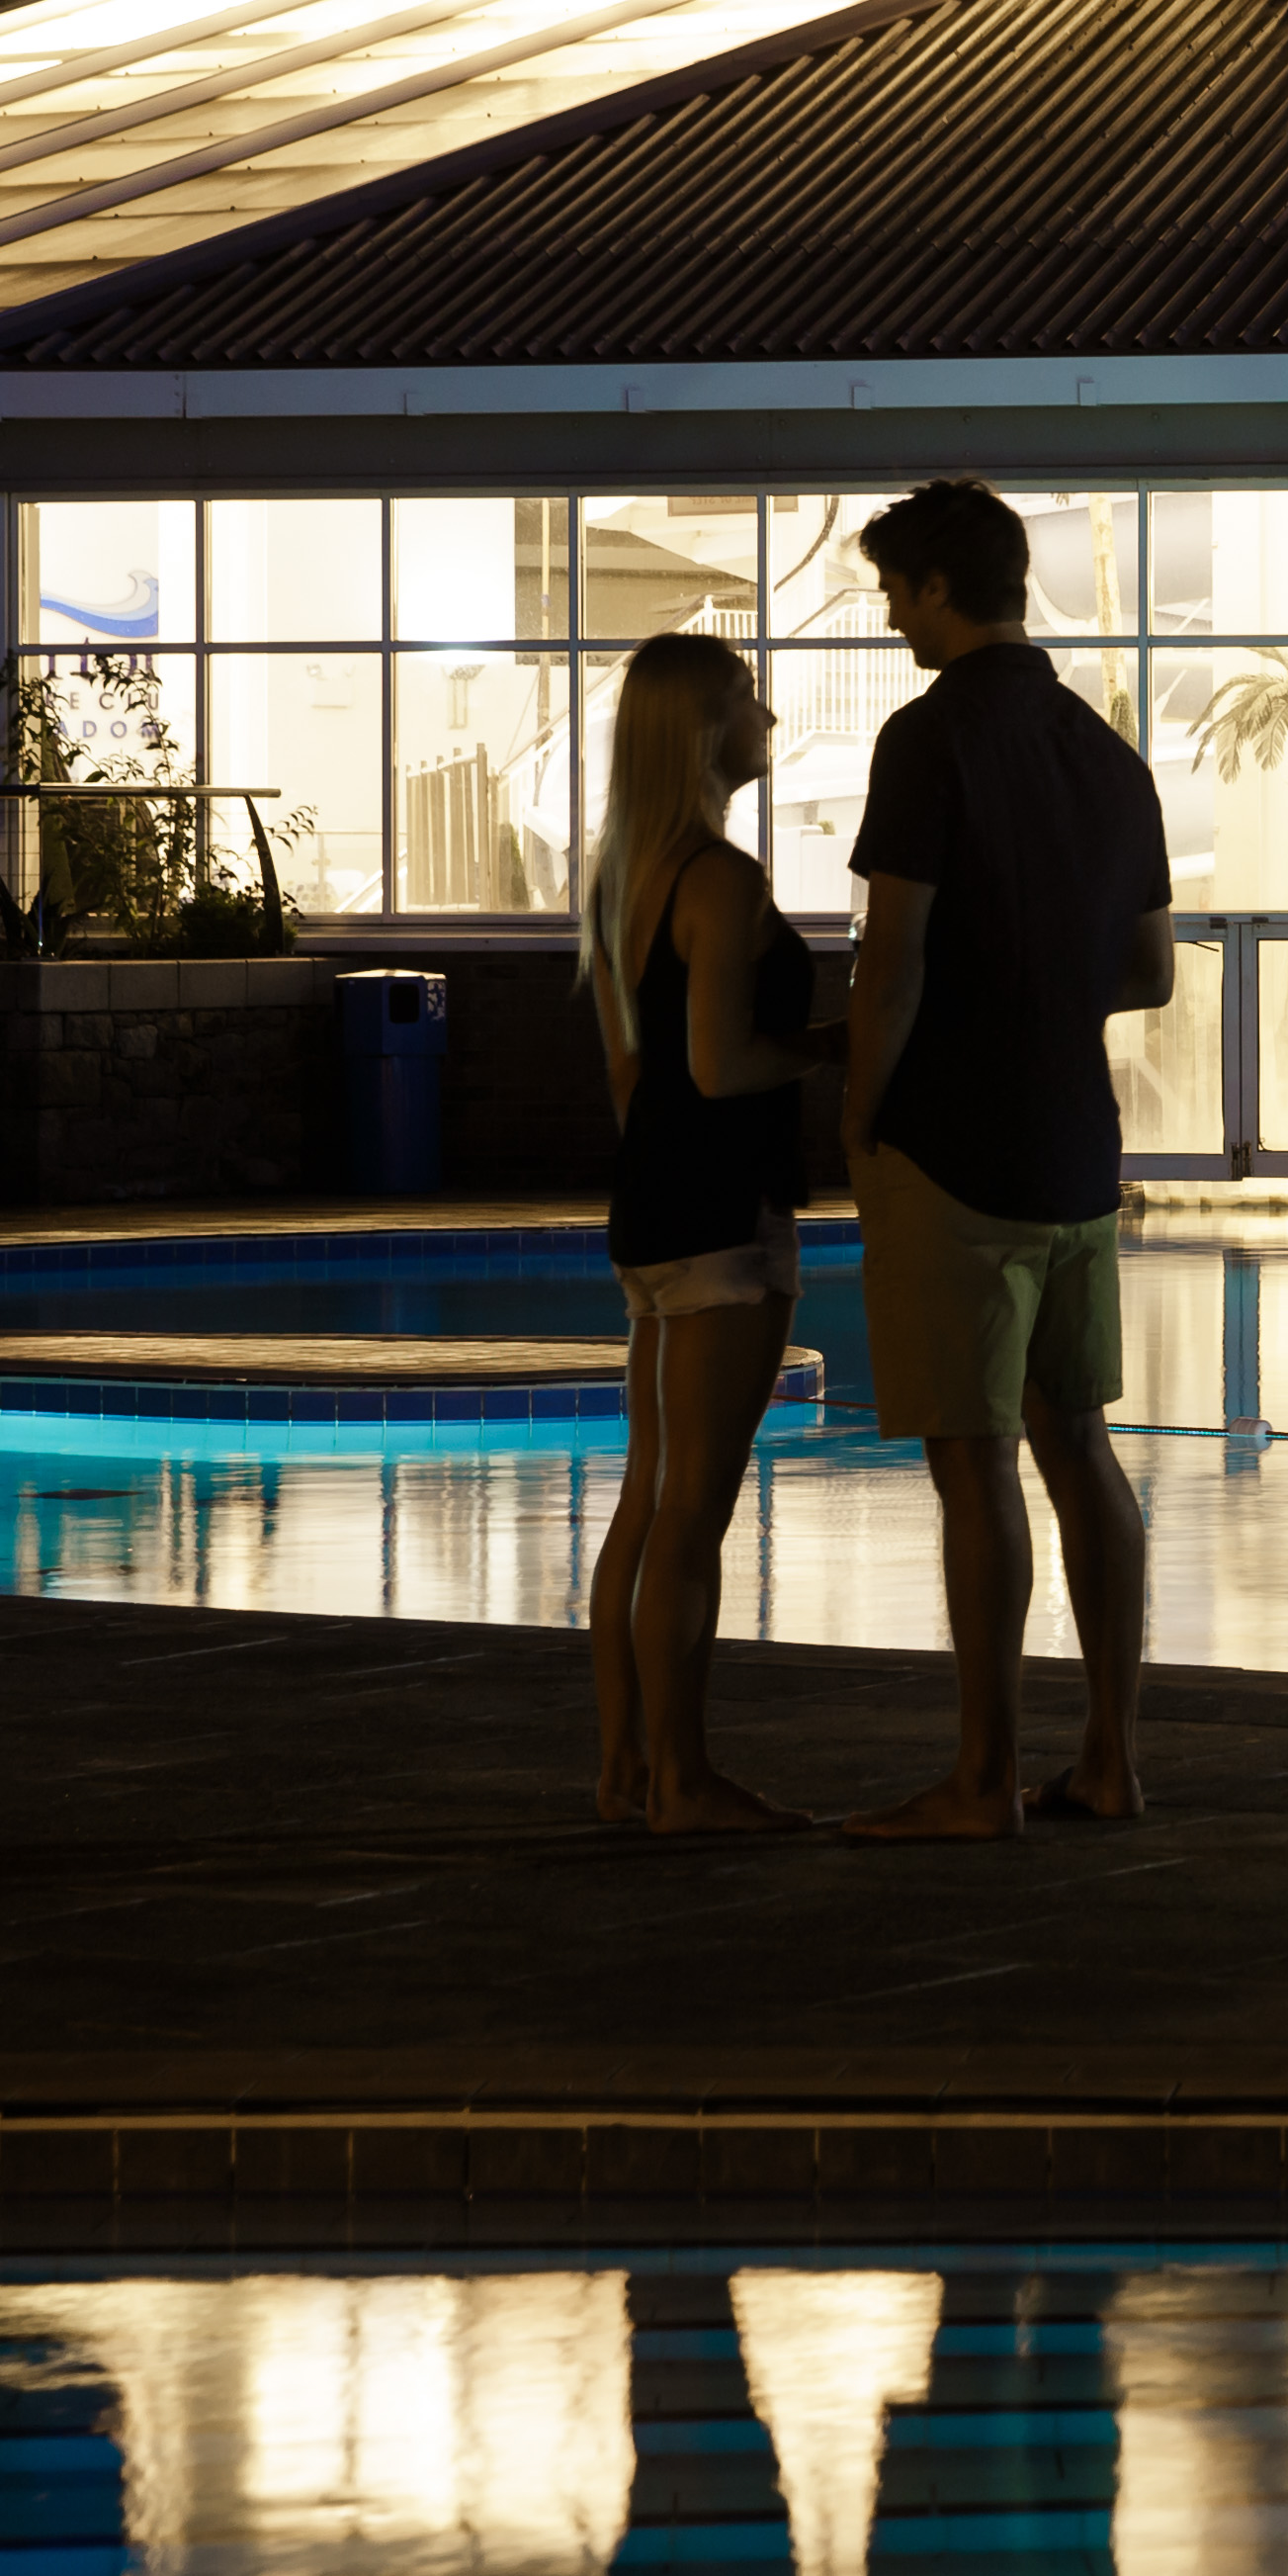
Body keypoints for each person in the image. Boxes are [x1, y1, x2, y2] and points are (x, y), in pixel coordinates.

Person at [835, 479, 1174, 1841]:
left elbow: (891, 956)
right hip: (1074, 1150)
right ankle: (1108, 1759)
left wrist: (860, 1113)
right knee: (1080, 1448)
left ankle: (980, 1778)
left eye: (889, 591)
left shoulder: (926, 741)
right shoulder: (1106, 753)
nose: (888, 615)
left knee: (970, 1464)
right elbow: (1145, 971)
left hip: (953, 1148)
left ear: (931, 588)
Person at [576, 631, 826, 1835]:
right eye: (745, 699)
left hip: (654, 1210)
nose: (768, 715)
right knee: (694, 1510)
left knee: (645, 1499)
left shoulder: (627, 872)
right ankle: (682, 1778)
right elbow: (722, 1063)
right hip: (727, 1212)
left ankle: (626, 1761)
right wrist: (840, 1047)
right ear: (701, 733)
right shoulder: (719, 880)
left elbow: (637, 1078)